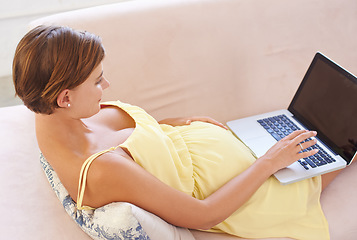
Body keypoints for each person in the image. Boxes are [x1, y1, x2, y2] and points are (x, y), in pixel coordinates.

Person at [13, 25, 343, 239]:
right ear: (65, 98)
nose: (107, 86)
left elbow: (137, 136)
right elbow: (203, 214)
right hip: (251, 192)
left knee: (324, 127)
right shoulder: (101, 170)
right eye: (97, 81)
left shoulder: (54, 114)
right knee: (339, 147)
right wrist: (269, 163)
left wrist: (182, 120)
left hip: (239, 153)